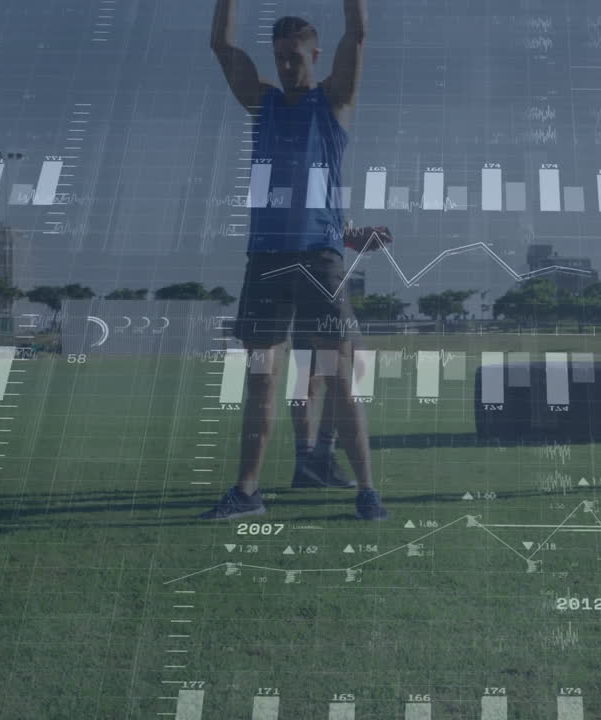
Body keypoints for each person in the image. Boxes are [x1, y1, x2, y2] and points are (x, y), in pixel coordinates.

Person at [201, 0, 391, 520]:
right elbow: (220, 45)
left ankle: (367, 491)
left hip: (318, 258)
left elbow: (357, 34)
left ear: (314, 55)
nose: (287, 66)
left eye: (296, 57)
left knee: (339, 373)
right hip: (264, 259)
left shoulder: (332, 101)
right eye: (280, 57)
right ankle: (247, 492)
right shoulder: (263, 104)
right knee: (261, 378)